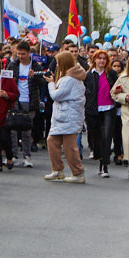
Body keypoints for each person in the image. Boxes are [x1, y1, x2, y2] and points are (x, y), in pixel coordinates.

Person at [45, 51, 87, 183]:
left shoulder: (69, 79)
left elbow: (56, 95)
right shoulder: (70, 77)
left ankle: (78, 173)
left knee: (70, 147)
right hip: (63, 116)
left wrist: (51, 84)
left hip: (69, 116)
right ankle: (57, 170)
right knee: (52, 141)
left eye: (58, 62)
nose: (56, 65)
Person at [4, 40, 43, 168]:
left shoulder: (35, 66)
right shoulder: (12, 65)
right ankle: (14, 155)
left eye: (23, 54)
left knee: (27, 129)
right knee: (13, 129)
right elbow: (6, 81)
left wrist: (35, 76)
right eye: (19, 54)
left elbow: (43, 82)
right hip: (15, 100)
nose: (20, 56)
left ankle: (27, 155)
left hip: (30, 100)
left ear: (28, 53)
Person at [84, 49, 119, 179]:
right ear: (94, 60)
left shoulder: (111, 74)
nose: (102, 61)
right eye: (99, 58)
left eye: (104, 58)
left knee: (106, 136)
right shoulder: (88, 75)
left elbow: (118, 88)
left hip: (109, 109)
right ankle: (100, 158)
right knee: (96, 138)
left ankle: (105, 165)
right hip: (93, 110)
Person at [109, 60, 129, 178]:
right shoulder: (123, 77)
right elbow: (114, 92)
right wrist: (124, 97)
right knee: (128, 138)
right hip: (128, 111)